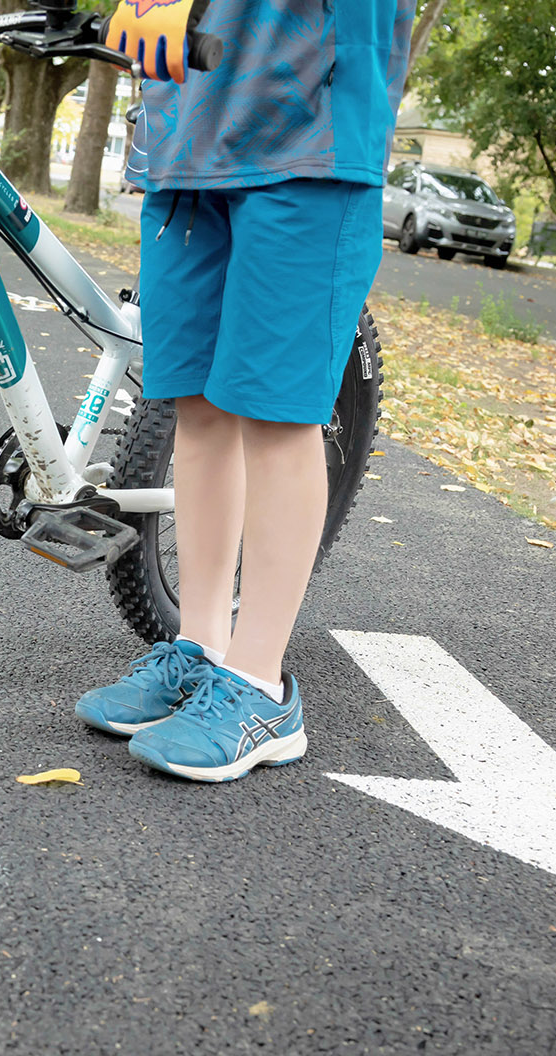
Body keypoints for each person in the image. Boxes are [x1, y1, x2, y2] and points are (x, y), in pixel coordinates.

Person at [75, 0, 415, 782]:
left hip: (309, 139)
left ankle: (262, 687)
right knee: (194, 411)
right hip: (185, 142)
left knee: (276, 417)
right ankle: (201, 647)